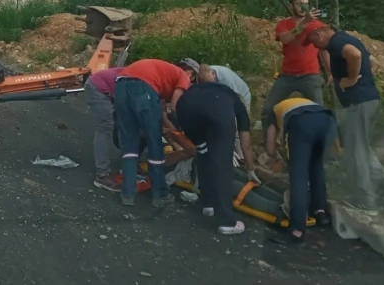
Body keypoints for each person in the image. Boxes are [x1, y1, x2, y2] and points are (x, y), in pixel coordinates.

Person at [307, 24, 384, 209]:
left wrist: (351, 79)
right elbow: (374, 63)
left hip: (358, 104)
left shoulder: (336, 42)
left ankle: (365, 200)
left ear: (319, 34)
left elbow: (354, 55)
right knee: (362, 146)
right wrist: (362, 79)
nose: (317, 48)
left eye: (315, 43)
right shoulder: (350, 38)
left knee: (354, 152)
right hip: (370, 100)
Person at [175, 82, 257, 235]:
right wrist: (251, 169)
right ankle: (227, 222)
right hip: (216, 114)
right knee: (223, 166)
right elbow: (246, 145)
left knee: (203, 152)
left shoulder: (207, 89)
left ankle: (209, 204)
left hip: (186, 109)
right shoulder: (237, 104)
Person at [114, 59, 191, 208]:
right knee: (154, 143)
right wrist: (186, 128)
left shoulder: (164, 72)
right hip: (143, 88)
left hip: (120, 87)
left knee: (129, 144)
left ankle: (128, 194)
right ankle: (160, 194)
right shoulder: (184, 76)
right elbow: (175, 105)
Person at [266, 97, 335, 245]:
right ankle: (320, 212)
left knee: (299, 175)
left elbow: (270, 148)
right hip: (327, 120)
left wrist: (281, 159)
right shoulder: (298, 103)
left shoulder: (273, 112)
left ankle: (297, 230)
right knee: (316, 166)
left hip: (302, 123)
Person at [260, 0, 331, 132]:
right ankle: (268, 143)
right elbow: (286, 39)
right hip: (287, 75)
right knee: (268, 109)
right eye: (299, 4)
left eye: (305, 4)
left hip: (310, 75)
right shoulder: (284, 24)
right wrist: (305, 23)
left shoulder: (317, 25)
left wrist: (330, 72)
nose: (302, 7)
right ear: (291, 5)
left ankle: (322, 145)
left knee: (319, 111)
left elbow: (324, 49)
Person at [84, 67, 124, 193]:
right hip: (98, 87)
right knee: (105, 127)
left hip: (114, 89)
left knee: (125, 125)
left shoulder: (161, 82)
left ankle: (130, 164)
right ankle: (102, 175)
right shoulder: (160, 84)